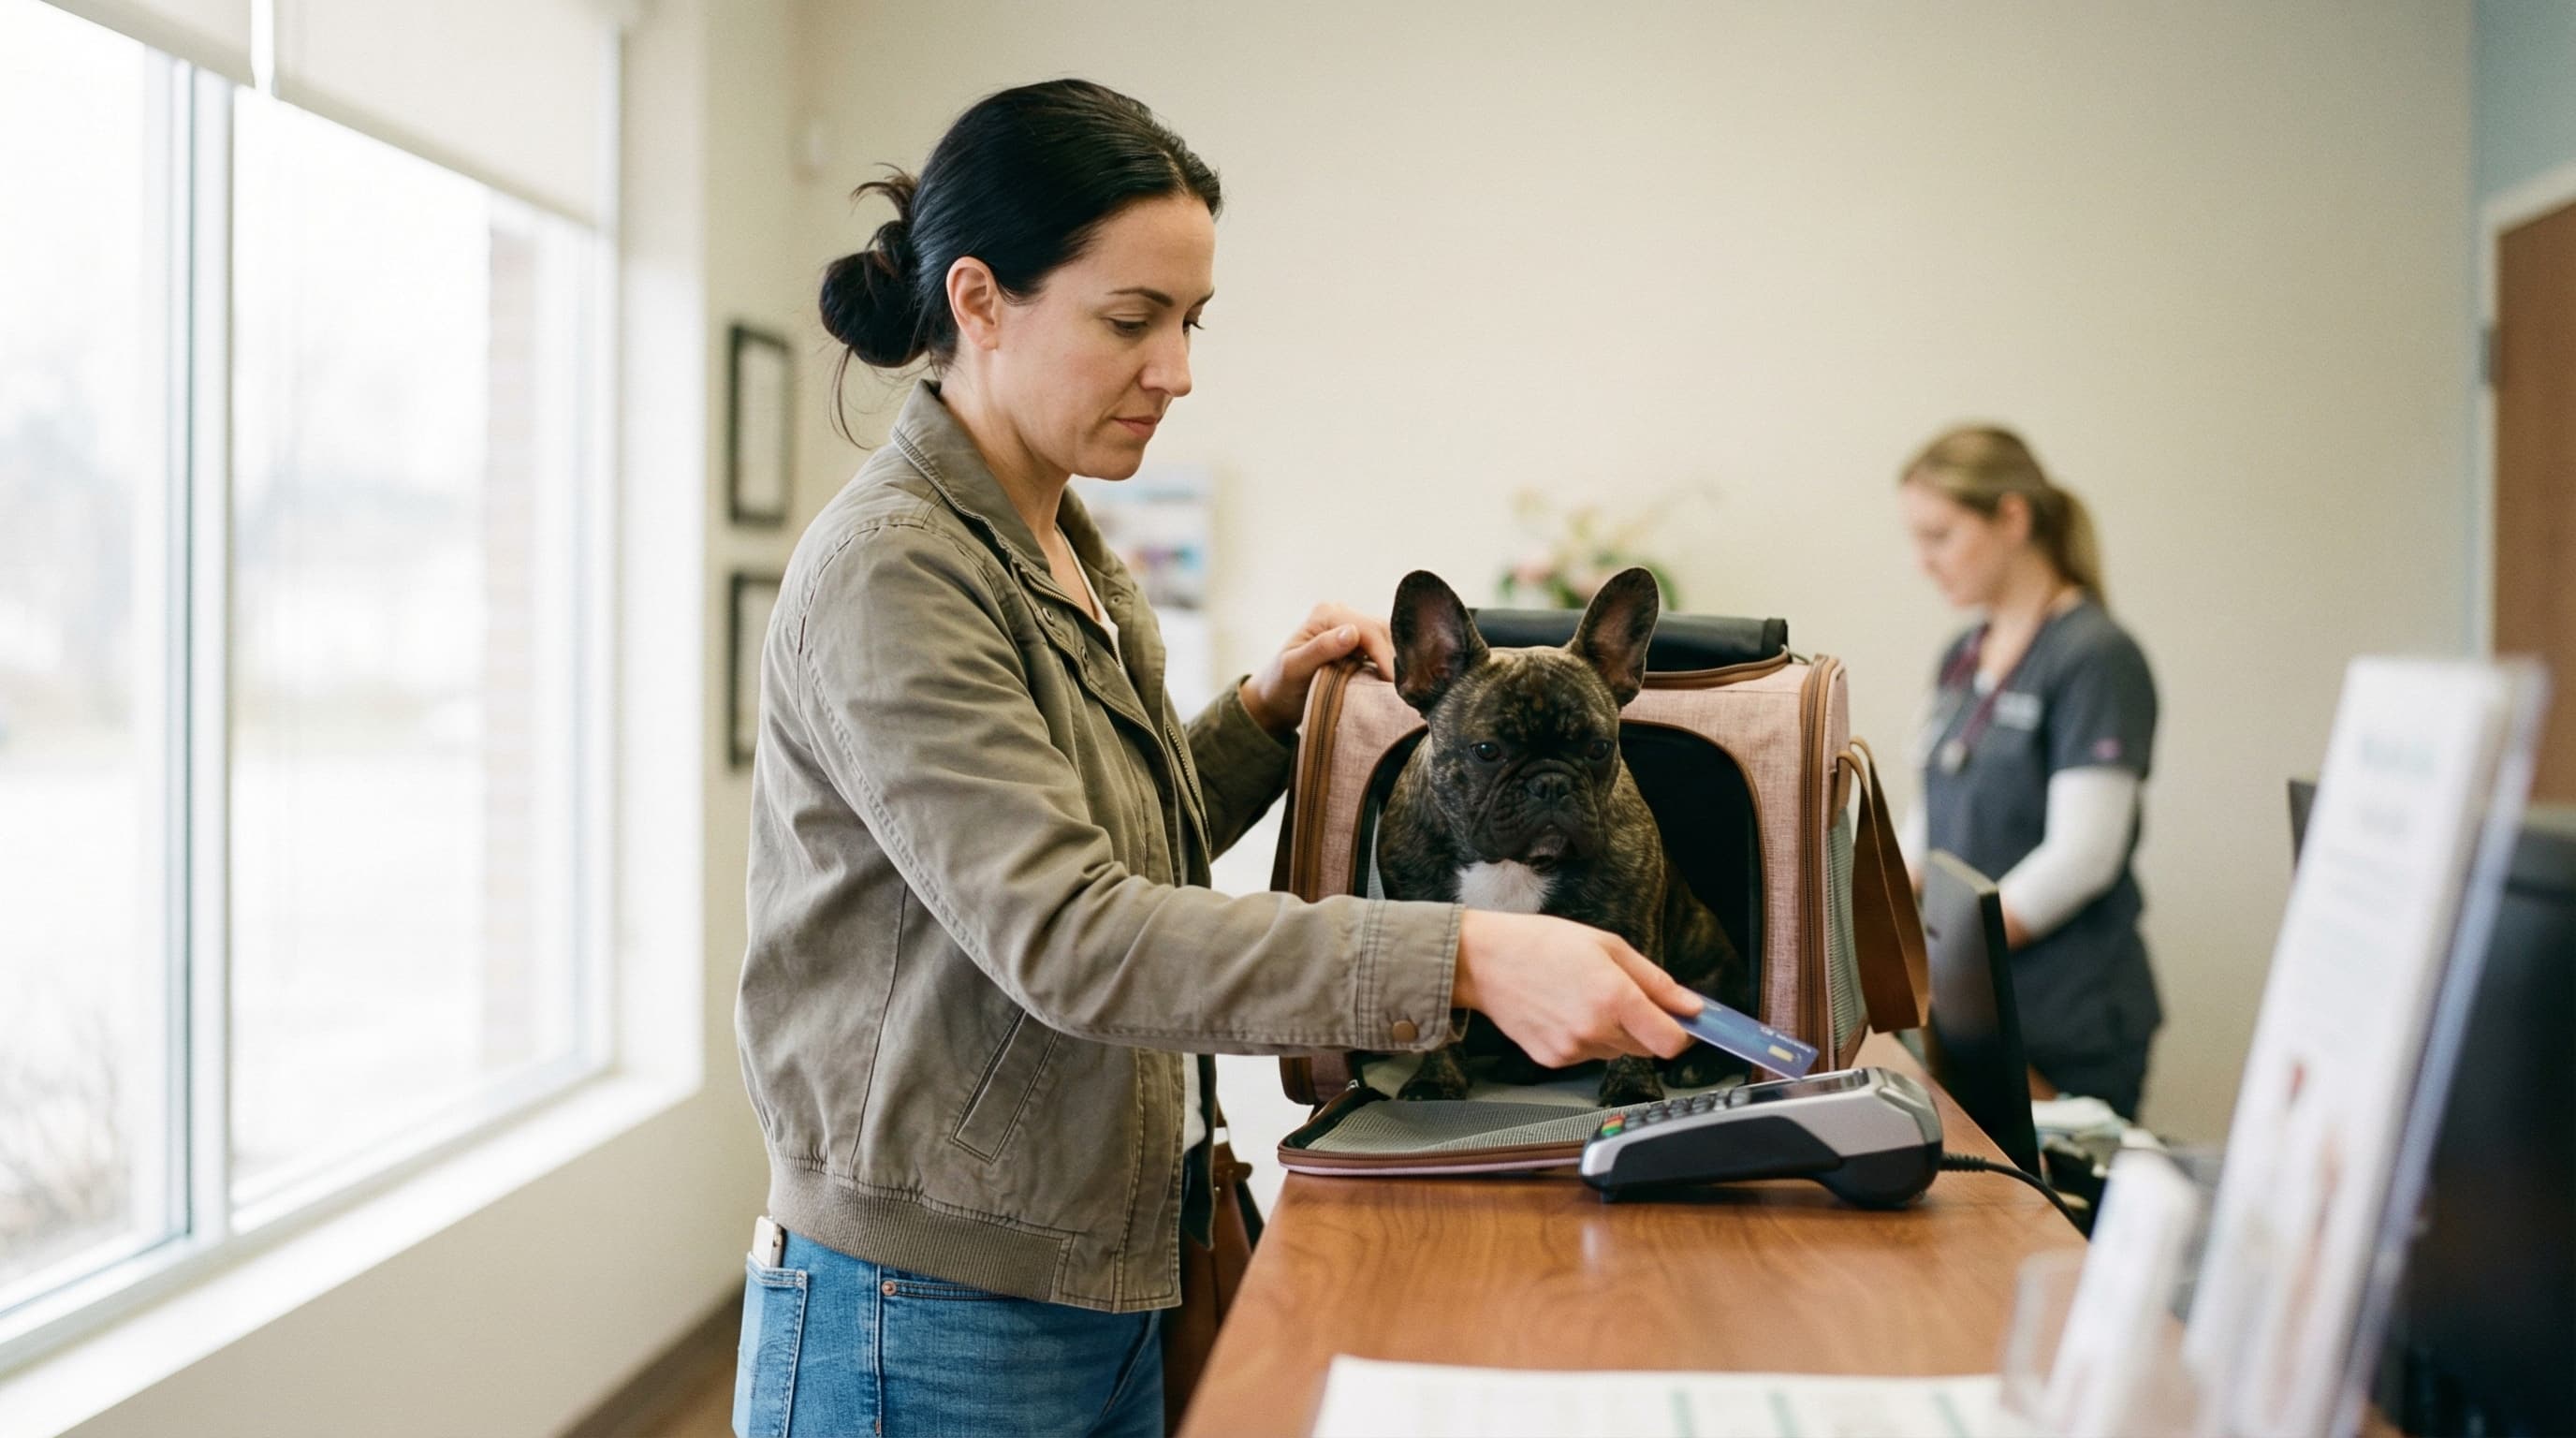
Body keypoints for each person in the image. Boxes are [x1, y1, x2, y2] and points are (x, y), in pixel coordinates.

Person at [732, 79, 1705, 1437]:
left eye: (1190, 324)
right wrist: (1466, 956)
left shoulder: (1061, 542)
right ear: (979, 300)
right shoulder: (896, 571)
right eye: (1132, 322)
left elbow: (1110, 844)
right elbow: (1073, 934)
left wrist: (1259, 717)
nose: (1177, 372)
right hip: (930, 1314)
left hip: (1103, 1266)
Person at [1894, 424, 2161, 1121]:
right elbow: (1930, 816)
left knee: (2052, 1223)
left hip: (2061, 1014)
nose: (1923, 562)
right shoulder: (1963, 654)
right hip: (1967, 1009)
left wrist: (1946, 964)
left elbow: (2084, 856)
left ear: (2012, 517)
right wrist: (1868, 915)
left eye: (1940, 536)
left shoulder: (2094, 656)